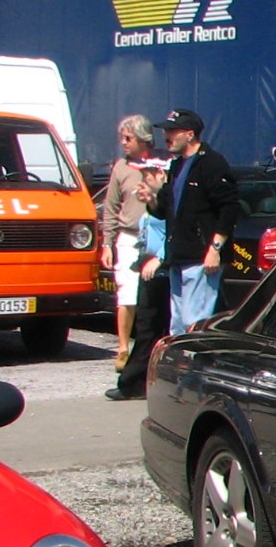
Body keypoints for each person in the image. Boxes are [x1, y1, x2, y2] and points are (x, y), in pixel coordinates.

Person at [148, 108, 241, 333]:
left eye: (172, 131)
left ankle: (195, 364)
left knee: (195, 322)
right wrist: (150, 197)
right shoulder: (177, 166)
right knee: (178, 324)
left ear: (189, 134)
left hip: (201, 258)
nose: (166, 136)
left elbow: (229, 207)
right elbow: (162, 211)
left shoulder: (211, 163)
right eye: (165, 131)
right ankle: (179, 365)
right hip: (178, 256)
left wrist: (215, 248)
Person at [99, 113, 156, 371]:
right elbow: (110, 208)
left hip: (156, 238)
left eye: (128, 138)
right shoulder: (120, 168)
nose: (123, 142)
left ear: (143, 139)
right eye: (122, 138)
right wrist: (107, 243)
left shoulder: (161, 163)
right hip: (128, 237)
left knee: (155, 297)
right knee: (126, 294)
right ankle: (123, 348)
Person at [104, 205, 168, 401]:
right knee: (147, 327)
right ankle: (136, 382)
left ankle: (135, 382)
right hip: (147, 265)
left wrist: (161, 257)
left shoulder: (170, 201)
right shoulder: (153, 204)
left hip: (163, 268)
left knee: (155, 326)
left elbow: (176, 233)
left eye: (149, 175)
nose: (142, 184)